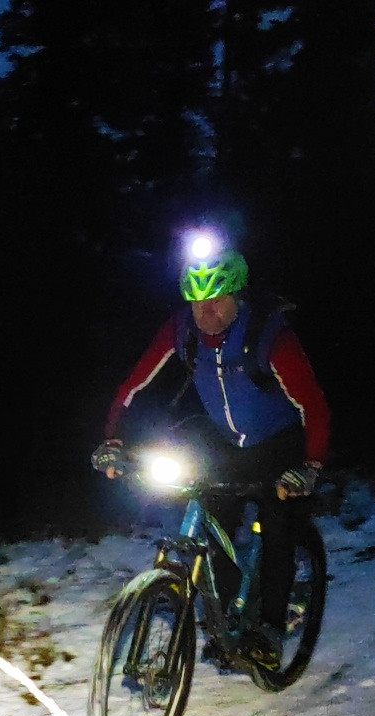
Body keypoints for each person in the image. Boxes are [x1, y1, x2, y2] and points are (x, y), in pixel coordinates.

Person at [92, 230, 331, 668]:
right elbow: (133, 387)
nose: (206, 312)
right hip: (227, 441)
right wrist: (112, 439)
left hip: (279, 441)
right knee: (212, 519)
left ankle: (270, 628)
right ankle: (231, 620)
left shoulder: (269, 336)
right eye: (197, 302)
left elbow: (312, 406)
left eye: (217, 300)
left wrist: (310, 465)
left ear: (237, 296)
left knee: (277, 522)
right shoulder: (180, 330)